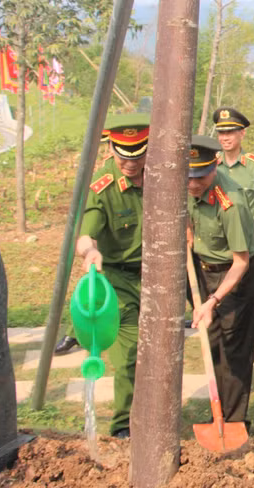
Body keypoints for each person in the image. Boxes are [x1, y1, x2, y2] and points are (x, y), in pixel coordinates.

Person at [74, 114, 149, 438]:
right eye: (122, 157)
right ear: (111, 149)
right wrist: (89, 251)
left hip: (158, 277)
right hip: (118, 280)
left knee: (160, 354)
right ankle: (122, 426)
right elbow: (86, 234)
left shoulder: (162, 175)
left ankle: (153, 418)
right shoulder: (103, 187)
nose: (129, 164)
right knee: (130, 356)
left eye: (137, 156)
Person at [188, 135, 254, 427]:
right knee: (213, 341)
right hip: (203, 269)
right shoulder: (185, 186)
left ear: (214, 167)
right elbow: (191, 225)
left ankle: (233, 420)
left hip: (234, 276)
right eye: (188, 177)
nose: (193, 184)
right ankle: (218, 410)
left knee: (233, 347)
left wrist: (213, 301)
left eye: (200, 177)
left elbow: (241, 262)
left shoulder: (232, 204)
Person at [55, 128, 116, 355]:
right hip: (96, 232)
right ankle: (76, 333)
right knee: (92, 288)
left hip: (116, 236)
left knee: (98, 290)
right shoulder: (102, 175)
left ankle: (79, 332)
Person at [213, 107, 254, 264]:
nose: (225, 138)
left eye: (230, 133)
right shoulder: (211, 165)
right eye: (221, 133)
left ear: (242, 133)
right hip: (216, 236)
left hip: (247, 233)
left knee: (247, 283)